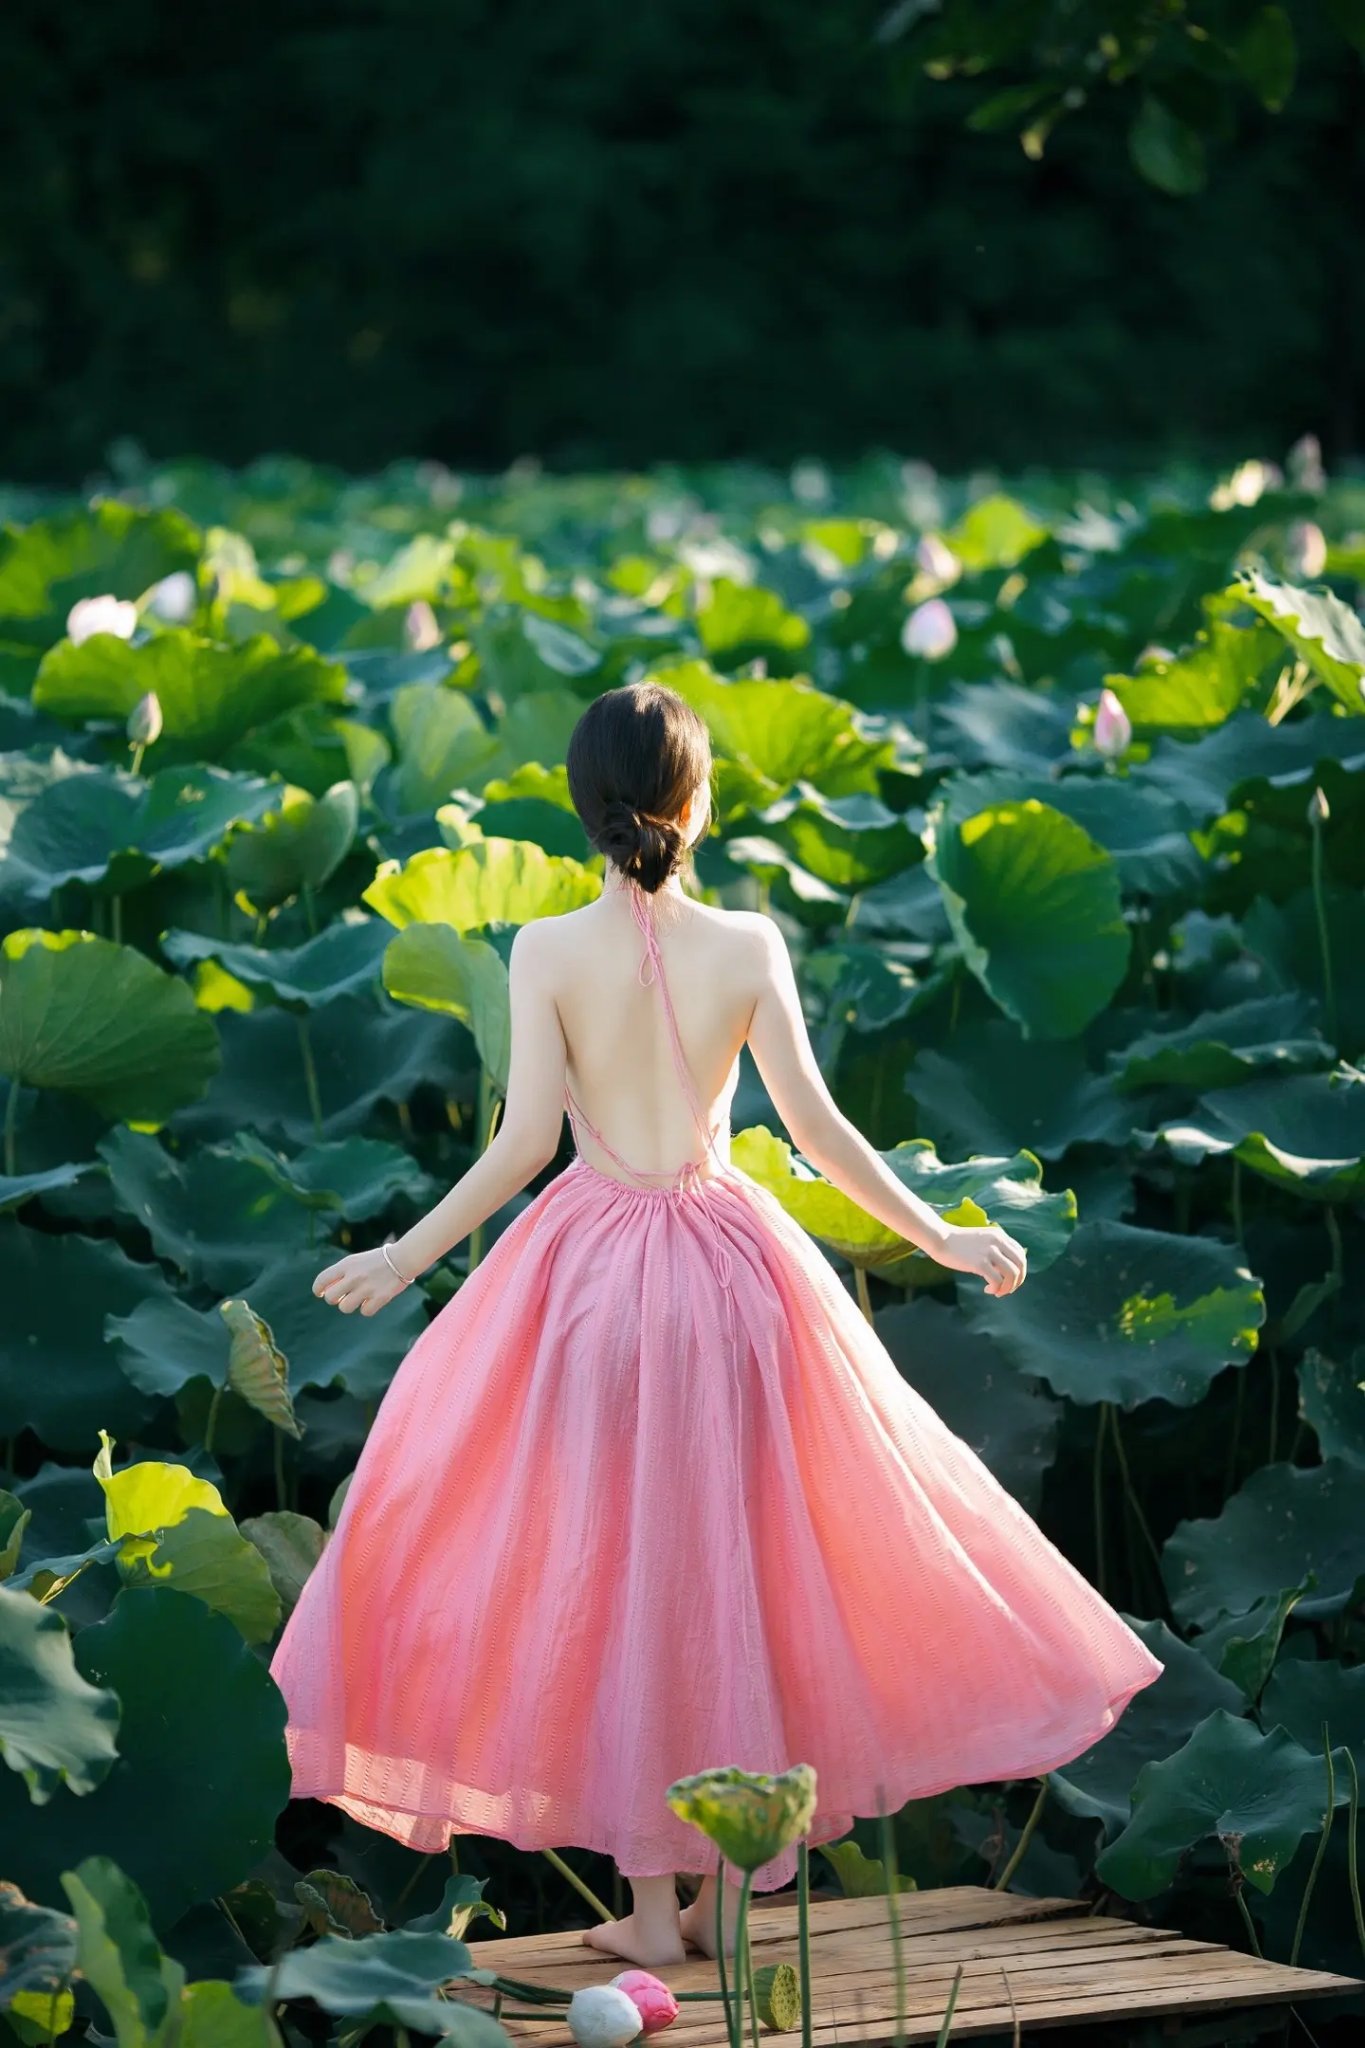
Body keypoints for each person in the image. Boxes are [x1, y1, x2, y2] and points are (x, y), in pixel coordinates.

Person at [270, 679, 1164, 1969]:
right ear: (697, 803)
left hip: (587, 1285)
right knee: (742, 1581)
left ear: (585, 808)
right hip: (734, 1279)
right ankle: (729, 1908)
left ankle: (648, 1913)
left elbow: (523, 1144)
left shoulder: (544, 949)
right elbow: (817, 1128)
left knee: (618, 1583)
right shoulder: (749, 943)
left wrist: (406, 1257)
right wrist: (940, 1236)